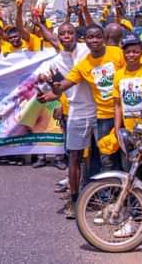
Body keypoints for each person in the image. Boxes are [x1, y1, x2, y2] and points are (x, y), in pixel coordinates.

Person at [36, 21, 93, 219]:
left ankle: (97, 195)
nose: (67, 36)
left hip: (100, 110)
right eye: (63, 34)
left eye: (70, 32)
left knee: (98, 158)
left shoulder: (88, 50)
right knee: (74, 157)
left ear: (76, 35)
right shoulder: (56, 60)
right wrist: (43, 78)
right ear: (59, 38)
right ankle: (75, 199)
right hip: (76, 112)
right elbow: (42, 75)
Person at [52, 24, 125, 174]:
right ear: (84, 41)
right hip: (105, 117)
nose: (95, 40)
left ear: (104, 38)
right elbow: (66, 84)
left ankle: (131, 194)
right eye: (90, 37)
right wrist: (56, 87)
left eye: (98, 36)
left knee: (127, 157)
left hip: (127, 113)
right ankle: (109, 195)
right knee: (107, 158)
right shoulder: (83, 65)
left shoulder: (117, 53)